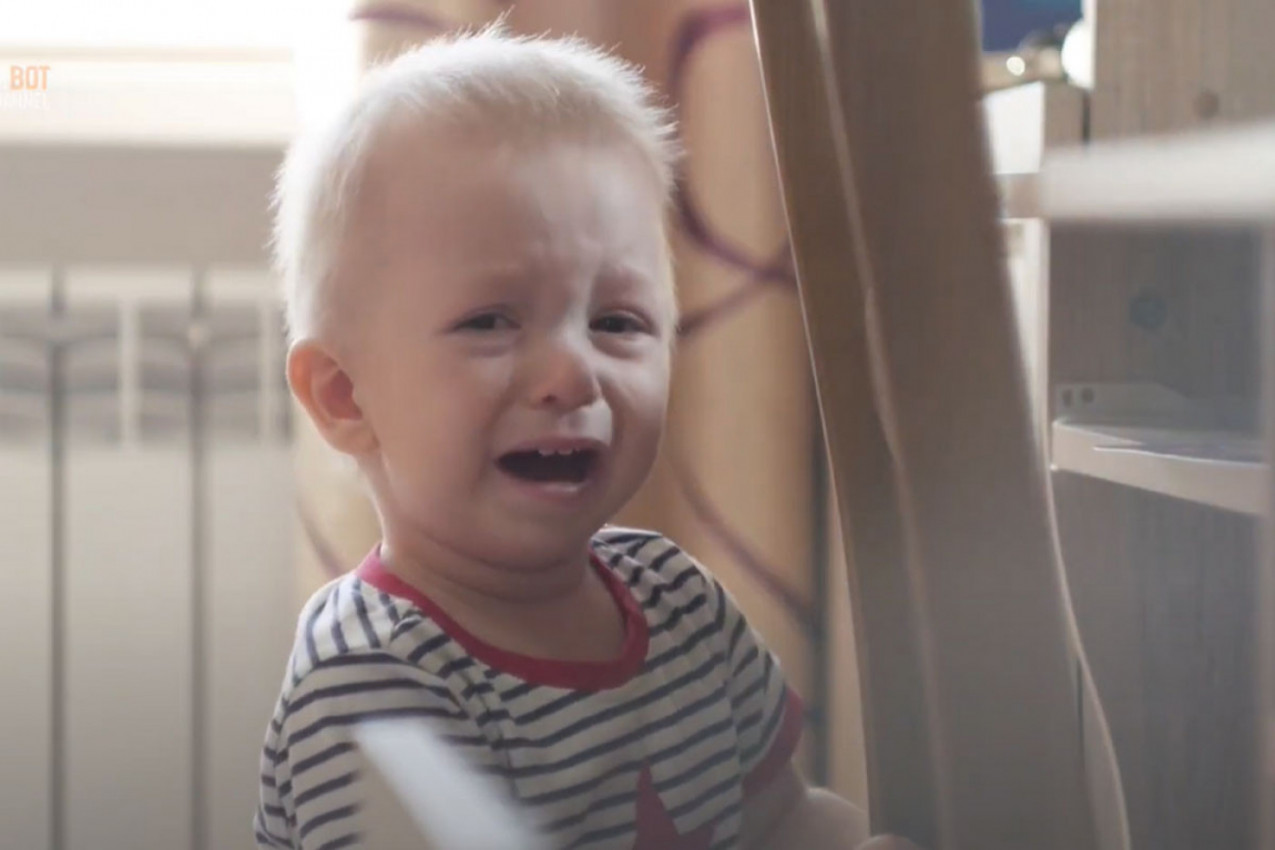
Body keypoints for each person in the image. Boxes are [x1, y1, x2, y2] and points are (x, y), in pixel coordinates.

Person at [255, 24, 916, 850]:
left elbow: (782, 818)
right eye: (490, 322)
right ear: (345, 395)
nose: (572, 375)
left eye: (617, 322)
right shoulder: (372, 679)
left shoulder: (681, 603)